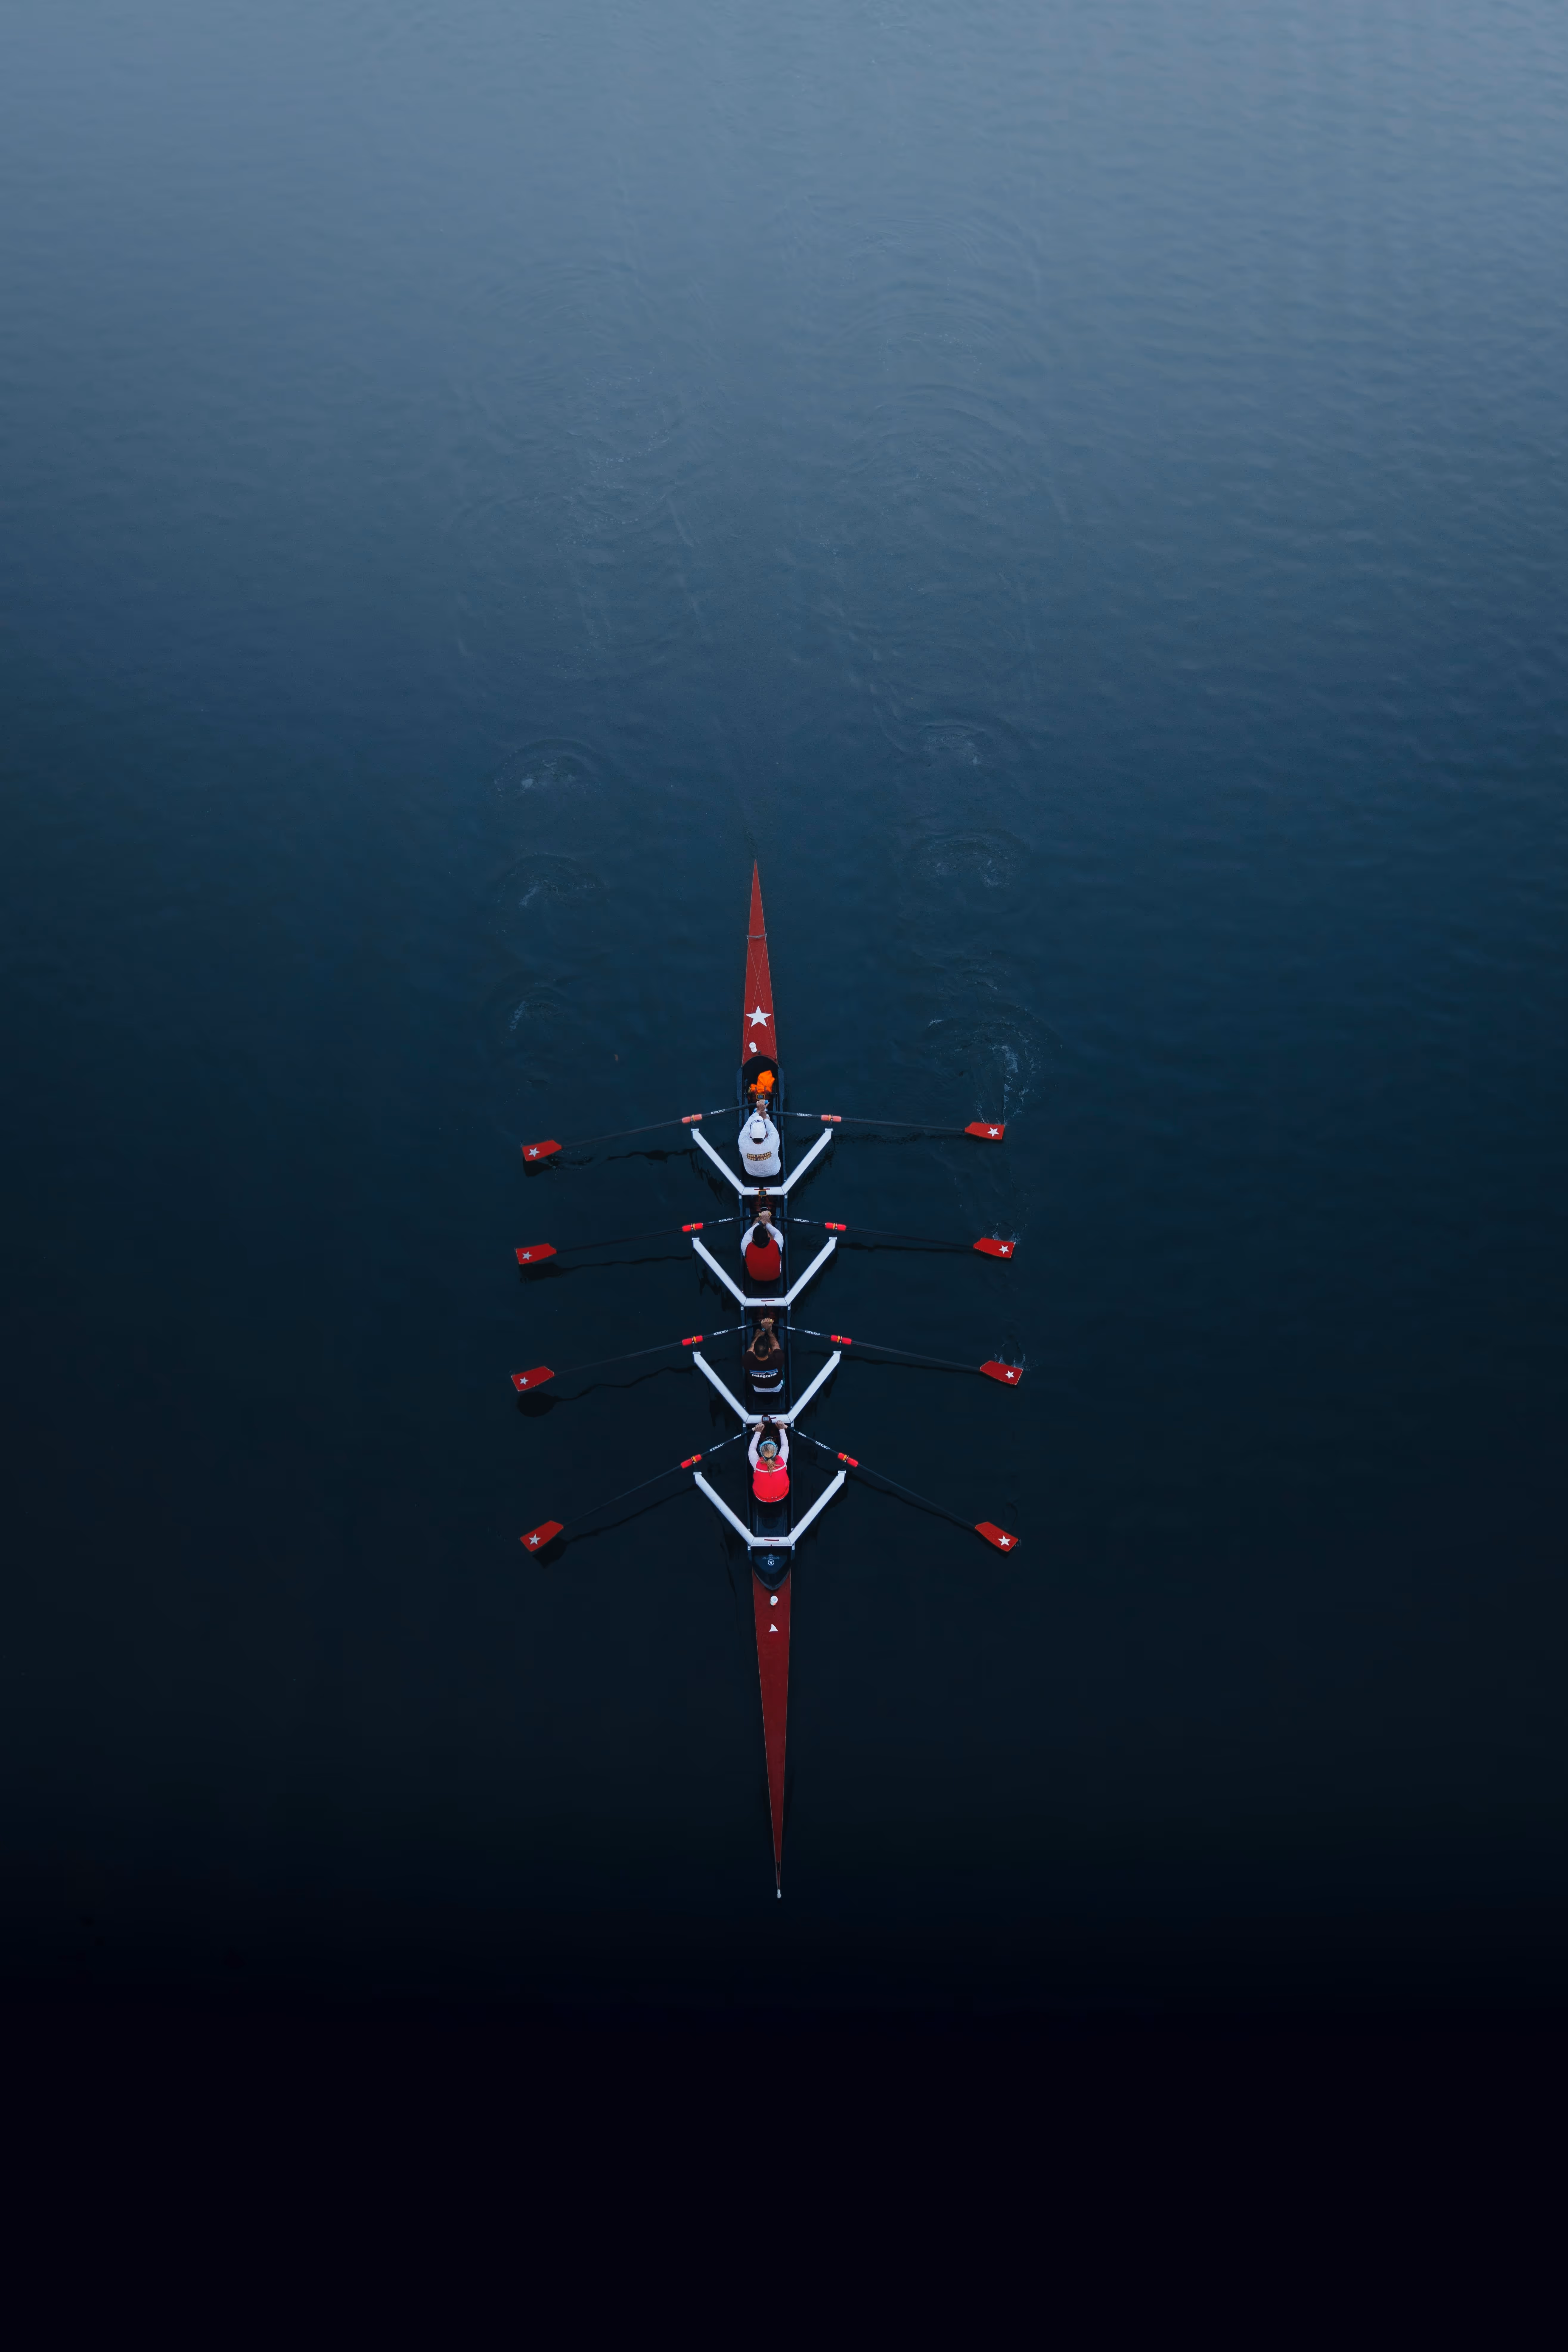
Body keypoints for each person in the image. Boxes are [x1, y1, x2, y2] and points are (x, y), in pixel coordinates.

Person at [741, 1194, 784, 1286]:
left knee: (756, 1226)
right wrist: (766, 1221)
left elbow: (748, 1234)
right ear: (768, 1238)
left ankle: (758, 1214)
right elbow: (777, 1234)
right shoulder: (777, 1244)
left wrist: (760, 1220)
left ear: (753, 1240)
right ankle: (768, 1211)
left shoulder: (746, 1246)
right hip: (775, 1277)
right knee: (774, 1239)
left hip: (755, 1278)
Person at [745, 1314, 784, 1401]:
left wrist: (762, 1330)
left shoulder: (747, 1359)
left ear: (754, 1351)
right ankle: (771, 1329)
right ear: (769, 1350)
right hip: (777, 1387)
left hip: (757, 1388)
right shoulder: (779, 1358)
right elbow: (775, 1345)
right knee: (773, 1336)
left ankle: (759, 1325)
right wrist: (769, 1331)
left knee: (758, 1332)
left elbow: (752, 1346)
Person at [749, 1421, 790, 1502]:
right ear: (776, 1451)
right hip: (782, 1496)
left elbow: (752, 1449)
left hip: (760, 1498)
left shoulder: (757, 1464)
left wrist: (758, 1432)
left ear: (761, 1453)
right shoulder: (782, 1460)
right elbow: (785, 1445)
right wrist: (782, 1429)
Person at [740, 1099, 781, 1178]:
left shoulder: (742, 1141)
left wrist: (758, 1111)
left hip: (751, 1172)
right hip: (774, 1171)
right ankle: (763, 1112)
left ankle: (757, 1112)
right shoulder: (774, 1138)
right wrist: (765, 1115)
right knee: (768, 1122)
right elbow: (769, 1125)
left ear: (750, 1135)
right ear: (766, 1134)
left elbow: (748, 1125)